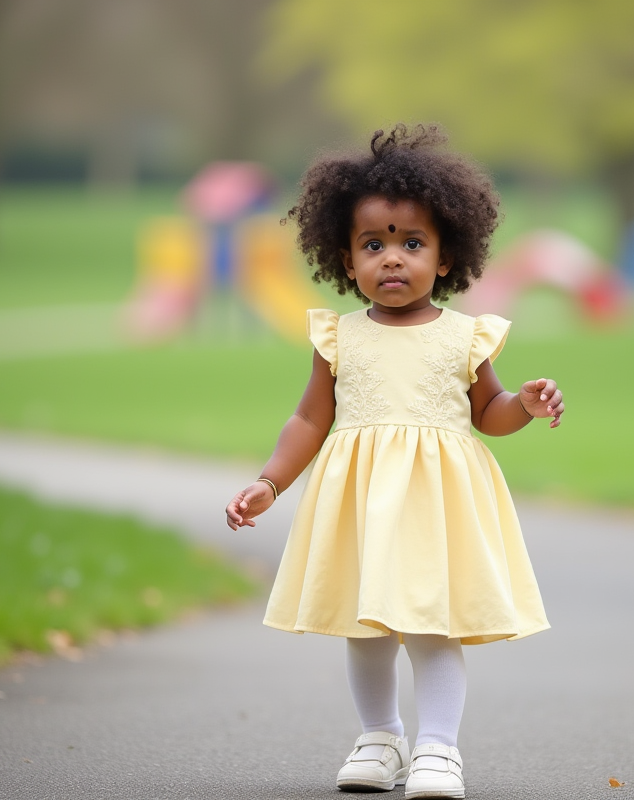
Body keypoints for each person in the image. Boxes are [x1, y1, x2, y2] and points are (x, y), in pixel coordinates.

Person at [224, 124, 564, 799]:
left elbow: (488, 413)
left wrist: (523, 405)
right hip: (362, 504)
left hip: (438, 505)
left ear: (446, 256)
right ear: (345, 259)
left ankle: (438, 747)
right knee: (368, 627)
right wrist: (269, 482)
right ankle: (380, 737)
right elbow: (310, 420)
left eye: (412, 243)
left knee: (433, 625)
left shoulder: (465, 336)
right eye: (373, 245)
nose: (392, 259)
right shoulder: (339, 338)